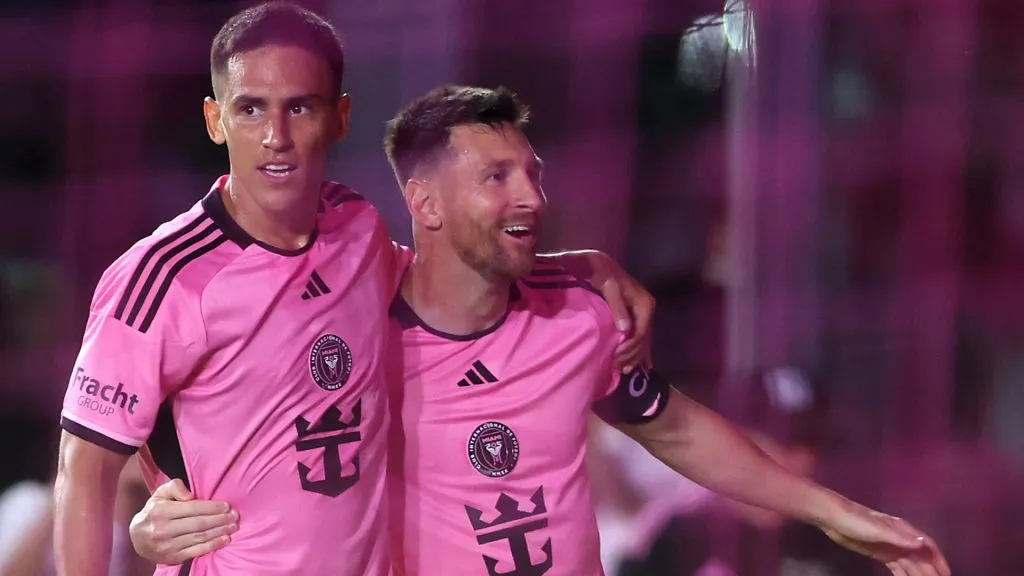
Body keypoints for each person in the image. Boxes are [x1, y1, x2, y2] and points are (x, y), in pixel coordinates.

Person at [128, 85, 951, 576]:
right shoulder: (343, 325)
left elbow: (678, 429)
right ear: (426, 204)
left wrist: (836, 513)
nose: (530, 195)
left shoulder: (581, 317)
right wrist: (155, 499)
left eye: (533, 172)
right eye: (497, 177)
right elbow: (163, 389)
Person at [52, 5, 653, 576]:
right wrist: (142, 525)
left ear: (340, 116)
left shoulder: (357, 228)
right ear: (216, 121)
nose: (276, 136)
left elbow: (452, 279)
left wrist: (583, 266)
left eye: (301, 108)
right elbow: (83, 467)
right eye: (251, 110)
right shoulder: (162, 275)